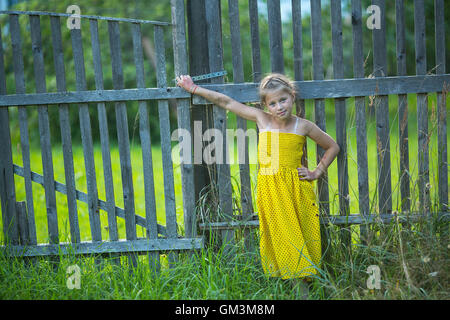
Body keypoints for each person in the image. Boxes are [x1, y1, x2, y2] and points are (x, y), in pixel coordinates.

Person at [176, 73, 340, 294]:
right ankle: (299, 286)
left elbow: (332, 146)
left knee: (302, 235)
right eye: (272, 103)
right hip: (270, 190)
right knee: (283, 235)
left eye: (283, 100)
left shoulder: (303, 126)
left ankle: (308, 284)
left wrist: (316, 172)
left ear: (292, 97)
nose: (279, 107)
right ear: (265, 105)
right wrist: (194, 89)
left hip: (296, 189)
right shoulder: (262, 119)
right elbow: (226, 101)